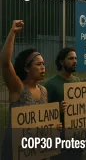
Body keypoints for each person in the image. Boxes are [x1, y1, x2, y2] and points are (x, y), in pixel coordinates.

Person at [0, 20, 61, 159]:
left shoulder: (43, 91)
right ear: (27, 68)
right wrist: (13, 32)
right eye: (38, 64)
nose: (43, 67)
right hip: (17, 151)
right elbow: (4, 63)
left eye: (44, 64)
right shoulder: (18, 89)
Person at [44, 47, 86, 159]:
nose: (75, 61)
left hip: (76, 135)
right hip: (60, 136)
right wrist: (57, 110)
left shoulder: (77, 81)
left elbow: (82, 106)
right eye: (71, 58)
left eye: (76, 58)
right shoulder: (50, 84)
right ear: (61, 62)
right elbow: (43, 112)